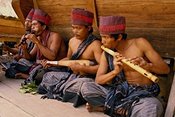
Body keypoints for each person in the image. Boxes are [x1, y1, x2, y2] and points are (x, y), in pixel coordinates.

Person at [80, 16, 170, 117]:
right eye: (101, 37)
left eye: (105, 37)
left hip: (142, 94)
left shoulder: (140, 44)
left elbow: (165, 70)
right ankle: (124, 111)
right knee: (86, 88)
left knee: (152, 107)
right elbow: (98, 80)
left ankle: (111, 109)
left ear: (119, 37)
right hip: (120, 92)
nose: (102, 41)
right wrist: (115, 72)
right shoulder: (107, 53)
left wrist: (147, 66)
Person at [38, 8, 102, 106]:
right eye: (73, 28)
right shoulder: (72, 41)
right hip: (72, 75)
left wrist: (83, 68)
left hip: (87, 78)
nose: (75, 31)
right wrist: (51, 63)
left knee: (83, 86)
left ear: (88, 28)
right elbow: (69, 59)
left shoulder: (95, 44)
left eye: (78, 28)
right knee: (46, 75)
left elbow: (102, 68)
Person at [22, 8, 67, 83]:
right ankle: (30, 76)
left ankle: (27, 76)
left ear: (43, 27)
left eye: (35, 24)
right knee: (20, 64)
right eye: (32, 25)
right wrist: (24, 49)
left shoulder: (55, 36)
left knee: (40, 76)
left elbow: (52, 57)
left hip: (57, 68)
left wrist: (37, 42)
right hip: (44, 67)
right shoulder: (39, 38)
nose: (32, 27)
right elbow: (30, 57)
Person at [2, 8, 35, 78]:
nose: (26, 23)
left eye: (29, 21)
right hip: (21, 62)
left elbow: (30, 58)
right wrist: (8, 49)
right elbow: (19, 51)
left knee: (12, 69)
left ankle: (21, 73)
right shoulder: (24, 36)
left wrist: (22, 53)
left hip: (29, 63)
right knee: (7, 64)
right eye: (26, 21)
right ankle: (12, 69)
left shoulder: (35, 38)